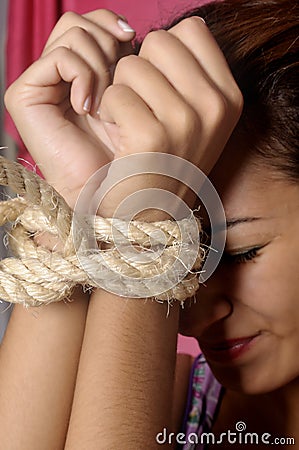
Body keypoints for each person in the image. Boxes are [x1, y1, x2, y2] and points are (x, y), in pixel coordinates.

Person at [1, 1, 298, 449]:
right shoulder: (172, 402)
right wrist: (82, 207)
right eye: (186, 264)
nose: (191, 317)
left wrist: (148, 232)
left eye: (238, 253)